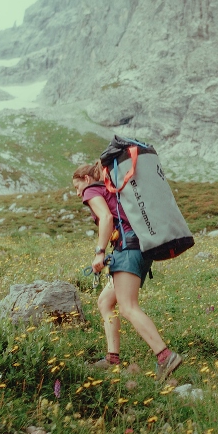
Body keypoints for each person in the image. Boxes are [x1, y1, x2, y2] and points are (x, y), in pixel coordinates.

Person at [72, 162, 183, 384]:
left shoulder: (92, 190)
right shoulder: (112, 190)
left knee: (128, 307)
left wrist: (99, 252)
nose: (78, 194)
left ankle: (165, 356)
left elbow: (106, 218)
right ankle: (112, 359)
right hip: (140, 248)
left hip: (128, 249)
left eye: (77, 187)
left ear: (86, 179)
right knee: (105, 302)